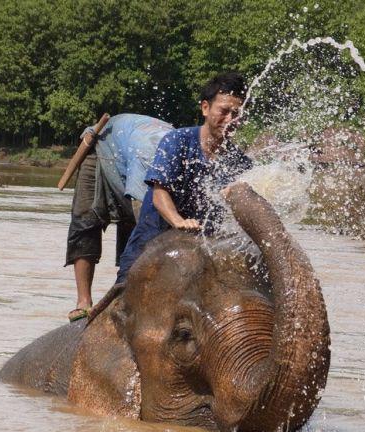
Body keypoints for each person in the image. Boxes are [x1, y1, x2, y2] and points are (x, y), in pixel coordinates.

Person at [116, 72, 253, 284]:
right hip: (152, 242)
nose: (230, 120)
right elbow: (159, 195)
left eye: (236, 114)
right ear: (205, 108)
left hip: (200, 252)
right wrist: (178, 221)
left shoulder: (240, 162)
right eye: (224, 111)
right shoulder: (177, 141)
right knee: (122, 297)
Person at [66, 114, 173, 320]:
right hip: (103, 148)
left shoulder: (179, 155)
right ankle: (83, 301)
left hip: (127, 149)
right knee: (86, 220)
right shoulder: (146, 158)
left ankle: (127, 293)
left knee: (133, 225)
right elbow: (146, 218)